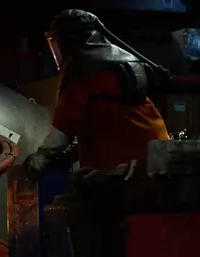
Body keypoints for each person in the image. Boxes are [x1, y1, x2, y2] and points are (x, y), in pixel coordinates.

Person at [24, 9, 170, 180]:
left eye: (57, 42)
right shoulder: (113, 66)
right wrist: (76, 149)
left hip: (130, 169)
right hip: (155, 157)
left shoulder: (83, 75)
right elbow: (113, 121)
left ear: (69, 42)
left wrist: (41, 157)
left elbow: (63, 128)